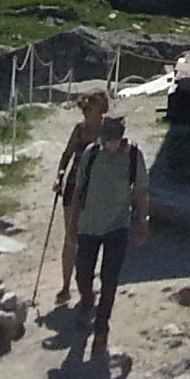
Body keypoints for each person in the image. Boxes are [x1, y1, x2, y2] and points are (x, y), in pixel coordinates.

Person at [63, 114, 149, 363]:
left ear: (121, 138)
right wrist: (72, 224)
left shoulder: (134, 156)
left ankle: (102, 329)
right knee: (83, 273)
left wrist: (143, 219)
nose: (108, 146)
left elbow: (141, 189)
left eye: (112, 141)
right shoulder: (92, 154)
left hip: (117, 226)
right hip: (89, 224)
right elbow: (79, 189)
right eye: (105, 140)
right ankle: (87, 302)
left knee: (110, 279)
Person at [49, 90, 112, 306]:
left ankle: (85, 283)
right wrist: (59, 176)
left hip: (97, 189)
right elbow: (67, 155)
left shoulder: (108, 130)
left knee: (92, 236)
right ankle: (66, 286)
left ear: (100, 110)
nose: (85, 112)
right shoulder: (80, 129)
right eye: (84, 109)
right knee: (71, 236)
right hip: (74, 186)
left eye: (89, 109)